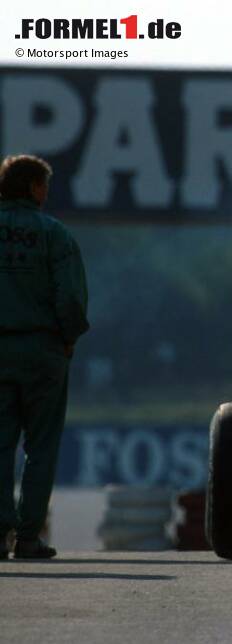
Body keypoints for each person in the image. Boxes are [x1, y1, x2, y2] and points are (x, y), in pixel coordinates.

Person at [0, 155, 89, 560]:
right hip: (42, 353)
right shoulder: (54, 234)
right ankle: (28, 537)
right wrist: (68, 339)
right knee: (41, 447)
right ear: (35, 187)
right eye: (45, 185)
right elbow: (70, 298)